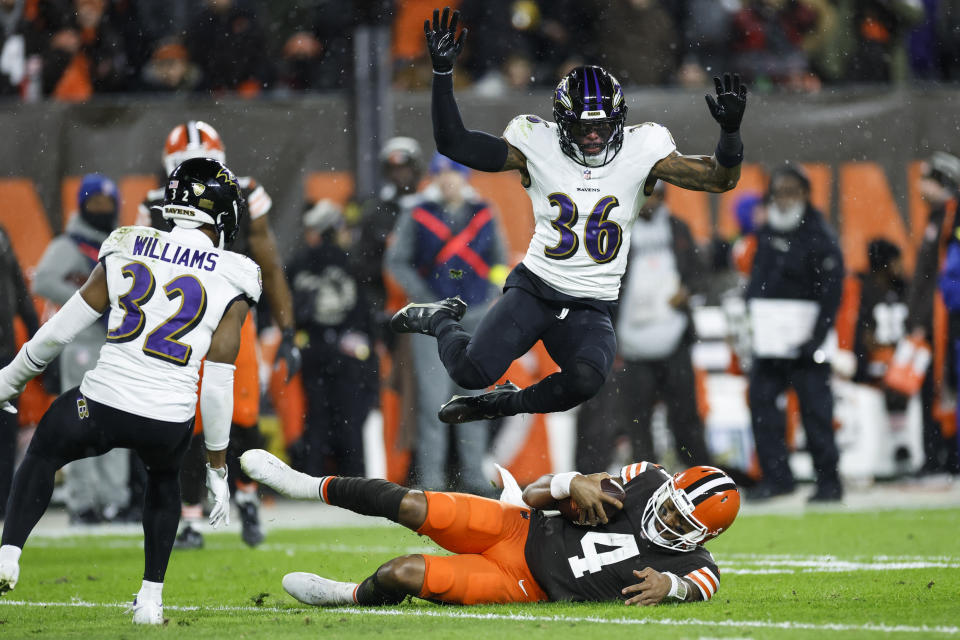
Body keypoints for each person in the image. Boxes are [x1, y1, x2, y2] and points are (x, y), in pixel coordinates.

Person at [389, 8, 746, 425]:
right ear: (561, 125)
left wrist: (731, 135)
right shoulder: (535, 144)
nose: (593, 136)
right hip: (536, 288)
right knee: (469, 371)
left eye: (601, 126)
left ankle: (504, 403)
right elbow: (455, 143)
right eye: (582, 128)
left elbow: (720, 180)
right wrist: (443, 74)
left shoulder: (644, 150)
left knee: (586, 381)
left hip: (591, 302)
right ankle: (441, 319)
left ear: (619, 123)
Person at [0, 158, 262, 625]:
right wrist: (218, 468)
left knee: (43, 451)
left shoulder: (128, 243)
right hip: (169, 420)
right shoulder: (236, 273)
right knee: (162, 482)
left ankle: (9, 552)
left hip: (100, 403)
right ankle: (150, 599)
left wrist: (10, 378)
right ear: (221, 212)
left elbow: (61, 328)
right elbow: (219, 380)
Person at [240, 448, 739, 607]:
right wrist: (572, 481)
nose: (666, 517)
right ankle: (304, 484)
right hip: (517, 528)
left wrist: (668, 586)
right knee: (412, 504)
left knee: (402, 573)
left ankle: (347, 596)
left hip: (524, 586)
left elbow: (699, 586)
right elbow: (536, 493)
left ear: (705, 536)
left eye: (681, 521)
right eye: (671, 505)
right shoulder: (644, 479)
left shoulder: (696, 564)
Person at [139, 120, 301, 548]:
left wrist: (288, 328)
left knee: (242, 415)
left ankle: (247, 497)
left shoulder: (244, 192)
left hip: (232, 317)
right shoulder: (155, 203)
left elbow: (268, 259)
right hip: (181, 320)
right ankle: (189, 513)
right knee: (184, 418)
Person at [384, 152, 507, 493]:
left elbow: (499, 259)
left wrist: (491, 291)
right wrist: (424, 297)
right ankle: (433, 483)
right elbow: (397, 262)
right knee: (433, 403)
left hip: (477, 316)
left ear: (464, 177)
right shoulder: (418, 214)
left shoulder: (483, 213)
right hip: (433, 321)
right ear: (435, 177)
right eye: (442, 173)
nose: (448, 179)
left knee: (474, 401)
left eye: (454, 173)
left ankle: (473, 479)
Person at [576, 180, 712, 472]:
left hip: (673, 338)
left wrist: (687, 291)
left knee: (685, 416)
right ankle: (646, 482)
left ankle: (699, 478)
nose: (650, 202)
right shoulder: (615, 232)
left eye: (656, 195)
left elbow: (698, 275)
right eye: (645, 195)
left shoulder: (678, 229)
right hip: (632, 345)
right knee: (636, 421)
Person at [33, 173, 131, 524]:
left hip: (116, 345)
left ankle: (113, 500)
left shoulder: (120, 243)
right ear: (83, 206)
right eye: (95, 204)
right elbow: (43, 279)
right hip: (83, 346)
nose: (102, 210)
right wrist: (87, 303)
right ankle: (82, 503)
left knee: (114, 426)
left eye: (108, 204)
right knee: (80, 423)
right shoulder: (70, 245)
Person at [746, 164, 844, 502]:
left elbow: (832, 295)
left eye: (790, 192)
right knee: (762, 407)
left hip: (807, 342)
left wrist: (816, 338)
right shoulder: (766, 230)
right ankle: (776, 478)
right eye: (778, 193)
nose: (783, 200)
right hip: (769, 341)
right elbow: (758, 282)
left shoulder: (820, 235)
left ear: (805, 194)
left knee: (816, 412)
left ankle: (829, 482)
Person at [287, 199, 377, 477]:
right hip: (347, 350)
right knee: (349, 418)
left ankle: (313, 479)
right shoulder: (352, 262)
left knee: (316, 418)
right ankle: (354, 480)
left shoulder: (299, 263)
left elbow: (286, 308)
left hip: (312, 347)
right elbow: (364, 310)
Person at [906, 151, 960, 475]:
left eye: (926, 178)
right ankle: (935, 457)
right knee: (931, 391)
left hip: (946, 322)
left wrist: (924, 321)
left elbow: (942, 279)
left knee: (945, 388)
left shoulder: (952, 219)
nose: (919, 185)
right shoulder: (937, 217)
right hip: (932, 322)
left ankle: (947, 458)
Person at [0, 224, 39, 519]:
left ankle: (3, 502)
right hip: (4, 350)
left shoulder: (2, 234)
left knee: (5, 433)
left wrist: (37, 340)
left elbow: (20, 295)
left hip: (4, 353)